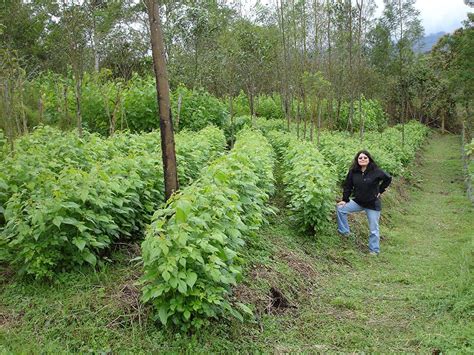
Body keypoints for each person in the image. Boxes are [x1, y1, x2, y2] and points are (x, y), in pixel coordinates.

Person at [336, 150, 392, 255]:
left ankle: (374, 250)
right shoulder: (353, 172)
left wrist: (380, 190)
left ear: (369, 159)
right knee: (340, 209)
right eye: (360, 158)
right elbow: (348, 186)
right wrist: (344, 199)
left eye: (365, 157)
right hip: (358, 202)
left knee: (373, 229)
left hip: (372, 205)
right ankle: (345, 233)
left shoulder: (376, 171)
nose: (362, 159)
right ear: (357, 160)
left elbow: (388, 178)